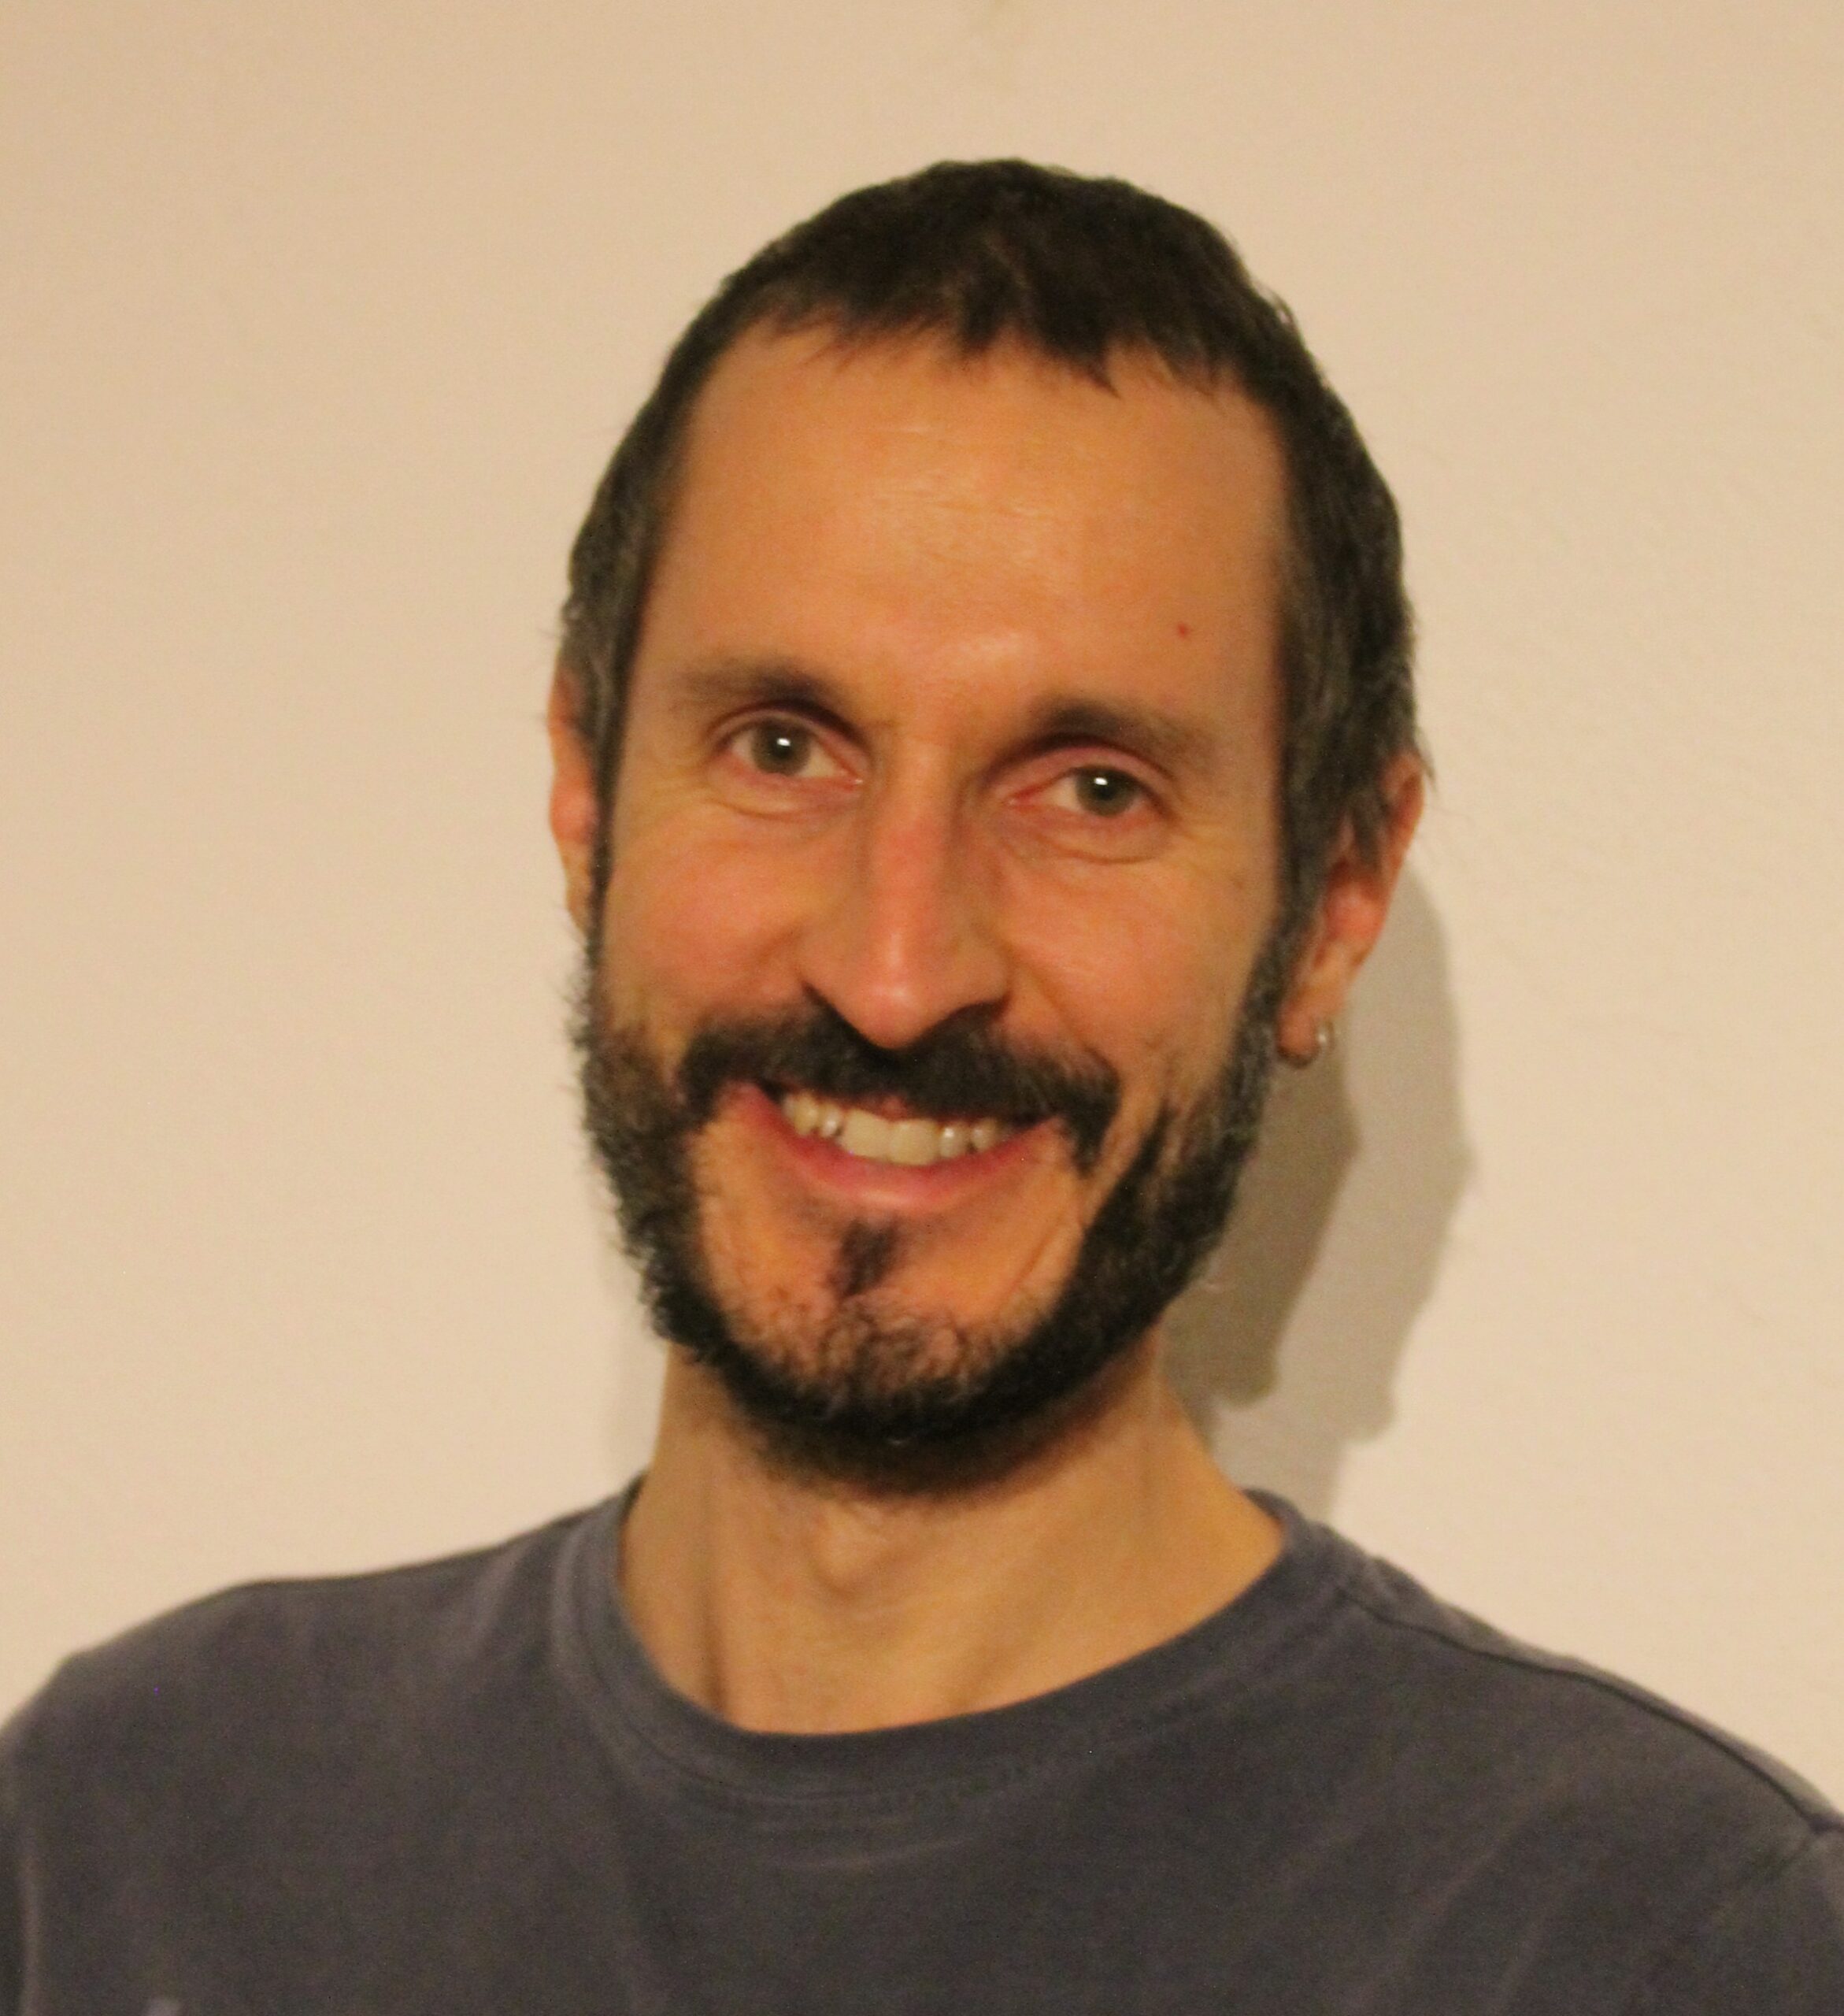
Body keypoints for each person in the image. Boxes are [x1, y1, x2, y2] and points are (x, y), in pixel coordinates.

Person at [3, 159, 1839, 2014]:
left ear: (1331, 900)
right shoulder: (132, 1828)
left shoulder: (1655, 1944)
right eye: (781, 746)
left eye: (1093, 788)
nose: (894, 971)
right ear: (586, 790)